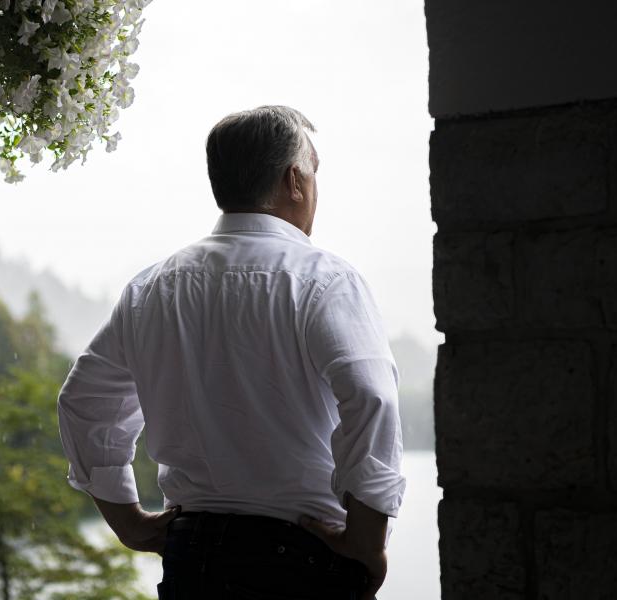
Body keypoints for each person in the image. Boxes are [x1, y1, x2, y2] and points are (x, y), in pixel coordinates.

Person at [57, 105, 405, 599]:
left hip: (192, 560)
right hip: (301, 563)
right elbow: (373, 398)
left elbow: (84, 403)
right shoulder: (325, 280)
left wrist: (129, 523)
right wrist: (367, 539)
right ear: (294, 181)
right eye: (314, 173)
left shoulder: (152, 288)